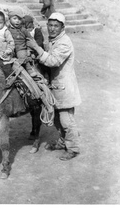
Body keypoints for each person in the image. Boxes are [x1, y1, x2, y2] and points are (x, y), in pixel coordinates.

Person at [27, 12, 81, 160]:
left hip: (65, 87)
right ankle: (63, 142)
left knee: (66, 120)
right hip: (56, 86)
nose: (52, 28)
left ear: (62, 27)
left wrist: (36, 48)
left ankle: (73, 148)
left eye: (56, 26)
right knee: (57, 119)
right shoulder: (53, 40)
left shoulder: (64, 42)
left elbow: (53, 61)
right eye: (50, 25)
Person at [7, 8, 37, 78]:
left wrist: (29, 49)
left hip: (21, 48)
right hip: (10, 48)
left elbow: (30, 39)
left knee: (22, 56)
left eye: (19, 19)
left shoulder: (23, 30)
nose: (17, 21)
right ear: (9, 19)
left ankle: (29, 69)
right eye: (14, 18)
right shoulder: (7, 29)